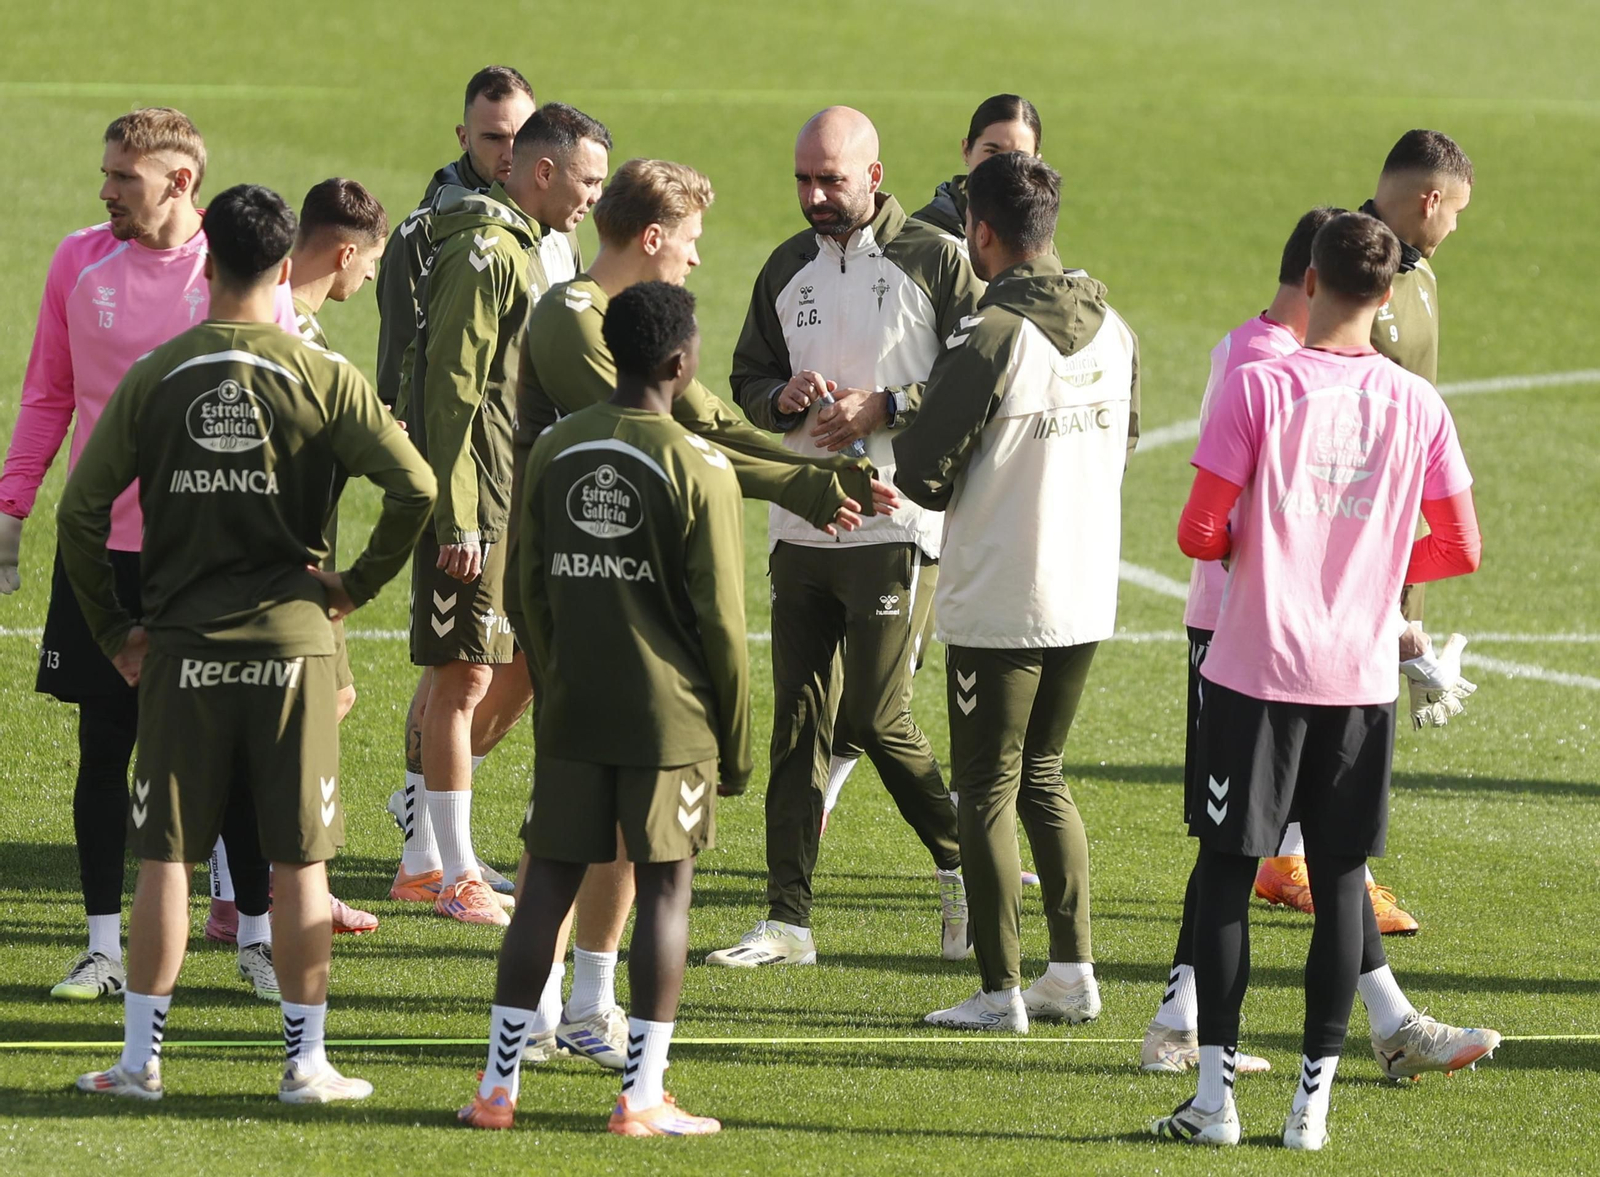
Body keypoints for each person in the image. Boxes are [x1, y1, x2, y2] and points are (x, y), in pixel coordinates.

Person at [509, 158, 892, 1070]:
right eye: (688, 244)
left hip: (638, 576)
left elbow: (715, 426)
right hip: (581, 577)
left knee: (624, 823)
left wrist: (819, 472)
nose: (694, 261)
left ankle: (589, 1004)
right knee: (562, 818)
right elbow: (677, 444)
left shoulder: (639, 326)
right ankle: (534, 1009)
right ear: (651, 240)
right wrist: (803, 484)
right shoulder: (569, 322)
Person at [61, 183, 435, 1103]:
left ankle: (140, 1061)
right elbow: (417, 488)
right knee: (300, 860)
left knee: (166, 858)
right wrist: (353, 587)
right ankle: (306, 1063)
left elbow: (78, 511)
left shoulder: (158, 372)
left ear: (210, 260)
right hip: (293, 651)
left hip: (182, 649)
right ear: (285, 262)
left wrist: (116, 630)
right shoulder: (323, 373)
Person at [1151, 212, 1487, 1150]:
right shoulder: (1418, 405)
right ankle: (1312, 1112)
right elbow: (1461, 543)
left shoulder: (1260, 385)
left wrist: (1261, 536)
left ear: (1310, 277)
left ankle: (1214, 1103)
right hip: (1359, 678)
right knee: (1341, 880)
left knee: (1225, 871)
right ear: (1387, 299)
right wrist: (1377, 553)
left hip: (1256, 668)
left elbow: (1197, 532)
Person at [0, 107, 292, 1003]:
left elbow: (279, 419)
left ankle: (255, 935)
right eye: (107, 174)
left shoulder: (238, 276)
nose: (106, 192)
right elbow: (49, 392)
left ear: (181, 182)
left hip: (210, 558)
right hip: (105, 557)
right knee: (104, 745)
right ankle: (100, 944)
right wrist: (11, 510)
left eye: (124, 178)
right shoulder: (77, 261)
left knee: (236, 755)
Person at [460, 281, 740, 1136]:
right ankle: (641, 1094)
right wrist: (735, 742)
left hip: (574, 708)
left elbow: (523, 588)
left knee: (545, 884)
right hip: (671, 723)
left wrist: (554, 675)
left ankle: (497, 1088)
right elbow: (722, 624)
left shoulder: (554, 447)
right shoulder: (701, 464)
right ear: (681, 363)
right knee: (664, 896)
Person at [715, 106, 984, 968]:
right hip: (800, 523)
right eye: (803, 178)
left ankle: (965, 861)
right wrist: (782, 399)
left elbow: (978, 374)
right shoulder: (785, 267)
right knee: (796, 723)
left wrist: (887, 406)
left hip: (894, 519)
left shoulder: (937, 259)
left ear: (875, 173)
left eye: (831, 179)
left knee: (872, 712)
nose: (815, 195)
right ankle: (787, 919)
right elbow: (745, 377)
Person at [894, 152, 1137, 1030]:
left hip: (1003, 594)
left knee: (986, 788)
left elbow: (922, 470)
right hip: (1083, 590)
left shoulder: (990, 335)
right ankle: (1071, 972)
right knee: (1044, 775)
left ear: (980, 233)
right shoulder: (1117, 328)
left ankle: (1001, 990)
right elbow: (1129, 438)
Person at [391, 104, 610, 927]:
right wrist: (456, 516)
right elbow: (447, 385)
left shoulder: (520, 241)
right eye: (587, 181)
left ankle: (431, 859)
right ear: (543, 171)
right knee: (463, 677)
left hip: (508, 493)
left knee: (490, 668)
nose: (592, 197)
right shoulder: (487, 250)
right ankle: (448, 874)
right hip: (475, 496)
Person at [1254, 130, 1476, 925]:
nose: (1454, 226)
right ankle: (1307, 864)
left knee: (1361, 697)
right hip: (1341, 523)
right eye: (1454, 211)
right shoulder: (1345, 262)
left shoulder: (1421, 277)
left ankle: (1296, 857)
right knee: (1335, 702)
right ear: (1429, 199)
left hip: (1395, 517)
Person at [824, 92, 1045, 851]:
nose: (1007, 164)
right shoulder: (927, 245)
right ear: (966, 152)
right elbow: (939, 369)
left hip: (986, 490)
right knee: (895, 683)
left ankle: (967, 837)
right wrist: (896, 403)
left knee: (944, 673)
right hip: (912, 492)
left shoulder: (1025, 236)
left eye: (1021, 153)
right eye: (993, 152)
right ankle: (965, 846)